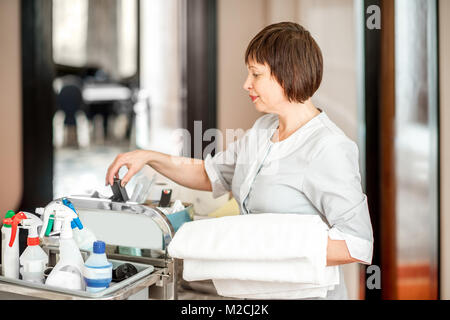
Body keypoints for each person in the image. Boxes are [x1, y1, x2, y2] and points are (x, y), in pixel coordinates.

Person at [105, 22, 373, 299]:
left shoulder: (328, 147)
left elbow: (355, 243)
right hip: (256, 292)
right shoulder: (263, 129)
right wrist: (149, 157)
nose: (246, 84)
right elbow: (211, 174)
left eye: (256, 74)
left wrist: (257, 246)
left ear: (289, 75)